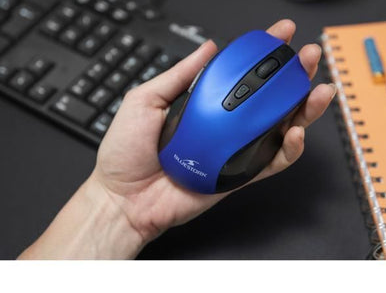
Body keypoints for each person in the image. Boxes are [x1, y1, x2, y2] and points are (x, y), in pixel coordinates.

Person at [18, 20, 336, 260]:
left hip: (176, 149)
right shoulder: (294, 81)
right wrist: (115, 202)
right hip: (217, 170)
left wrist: (112, 205)